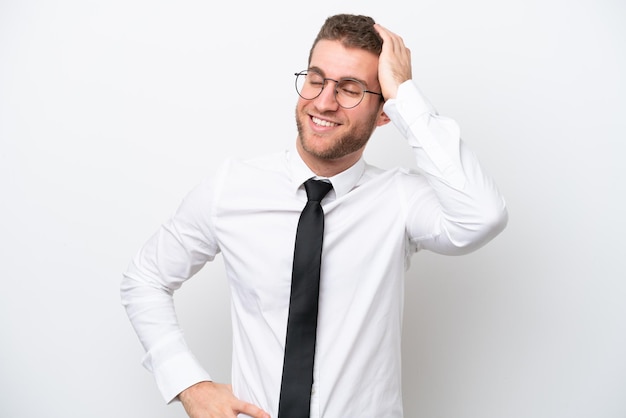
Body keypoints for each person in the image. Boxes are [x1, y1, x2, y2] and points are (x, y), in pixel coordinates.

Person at [121, 13, 508, 418]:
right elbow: (144, 279)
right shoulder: (231, 188)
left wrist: (406, 97)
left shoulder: (400, 199)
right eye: (316, 79)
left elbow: (482, 217)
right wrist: (188, 383)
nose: (323, 102)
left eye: (351, 89)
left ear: (384, 113)